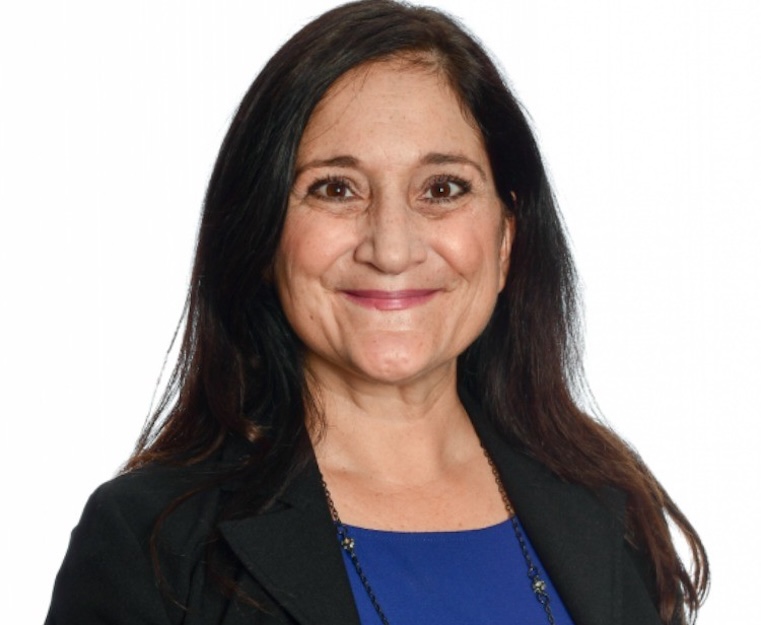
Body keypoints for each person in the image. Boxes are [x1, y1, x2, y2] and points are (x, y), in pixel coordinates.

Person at [45, 1, 709, 624]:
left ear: (506, 238)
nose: (391, 248)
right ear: (263, 235)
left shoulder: (610, 510)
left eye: (442, 188)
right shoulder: (152, 542)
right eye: (336, 188)